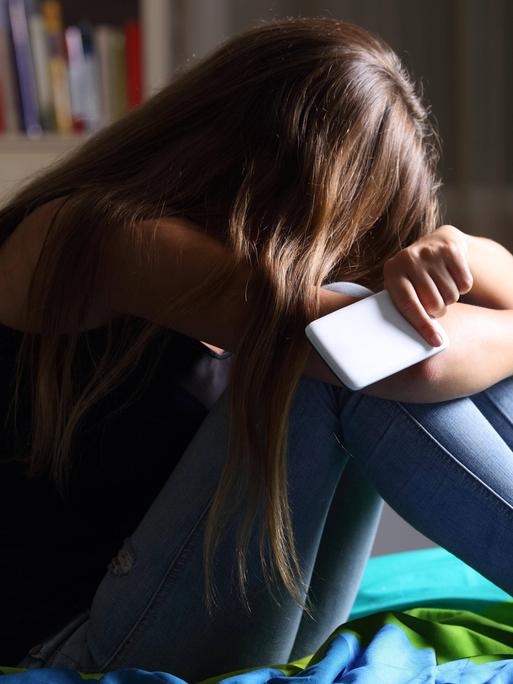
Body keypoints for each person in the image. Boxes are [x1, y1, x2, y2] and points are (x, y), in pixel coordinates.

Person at [1, 15, 513, 683]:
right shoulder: (99, 235)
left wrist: (456, 251)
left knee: (364, 335)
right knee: (339, 354)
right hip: (79, 645)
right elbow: (412, 359)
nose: (340, 248)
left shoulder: (246, 259)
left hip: (228, 617)